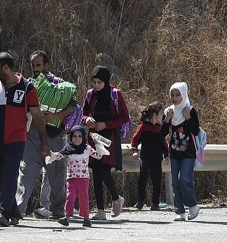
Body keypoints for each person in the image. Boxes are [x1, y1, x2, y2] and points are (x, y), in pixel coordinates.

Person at [0, 52, 49, 227]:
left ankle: (4, 212)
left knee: (10, 174)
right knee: (2, 176)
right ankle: (14, 212)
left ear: (6, 68)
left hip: (16, 139)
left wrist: (44, 141)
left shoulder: (27, 87)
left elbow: (37, 116)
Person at [16, 50, 77, 219]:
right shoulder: (27, 84)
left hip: (54, 137)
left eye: (39, 65)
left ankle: (58, 211)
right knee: (26, 174)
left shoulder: (58, 85)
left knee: (57, 176)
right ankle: (17, 211)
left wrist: (54, 117)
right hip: (32, 135)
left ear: (46, 65)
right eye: (33, 65)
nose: (35, 68)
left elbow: (73, 106)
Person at [82, 65, 129, 220]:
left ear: (106, 82)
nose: (96, 85)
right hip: (94, 138)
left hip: (109, 138)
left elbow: (124, 117)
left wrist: (106, 125)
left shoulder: (115, 94)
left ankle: (116, 198)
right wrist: (87, 119)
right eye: (94, 82)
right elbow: (83, 114)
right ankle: (101, 210)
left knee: (104, 171)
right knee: (95, 171)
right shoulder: (90, 95)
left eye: (99, 82)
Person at [47, 126, 102, 227]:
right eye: (74, 136)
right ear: (71, 137)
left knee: (84, 198)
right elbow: (59, 156)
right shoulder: (68, 148)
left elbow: (98, 156)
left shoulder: (87, 148)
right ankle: (66, 217)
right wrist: (52, 156)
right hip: (71, 179)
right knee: (70, 197)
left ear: (83, 137)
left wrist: (98, 145)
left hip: (83, 179)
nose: (77, 139)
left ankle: (86, 218)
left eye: (80, 136)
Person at [161, 82, 200, 221]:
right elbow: (162, 133)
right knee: (175, 182)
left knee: (183, 179)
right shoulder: (169, 111)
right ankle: (180, 211)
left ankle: (193, 205)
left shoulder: (190, 109)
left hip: (188, 151)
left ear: (183, 95)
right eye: (172, 95)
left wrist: (188, 117)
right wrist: (167, 120)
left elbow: (195, 131)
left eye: (178, 95)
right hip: (174, 151)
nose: (174, 98)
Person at [131, 101, 169, 210]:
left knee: (157, 180)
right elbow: (135, 140)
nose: (163, 117)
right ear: (155, 115)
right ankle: (140, 201)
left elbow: (163, 143)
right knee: (143, 178)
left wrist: (167, 155)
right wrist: (134, 150)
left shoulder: (160, 129)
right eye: (161, 114)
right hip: (145, 157)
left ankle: (155, 203)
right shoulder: (143, 127)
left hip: (157, 158)